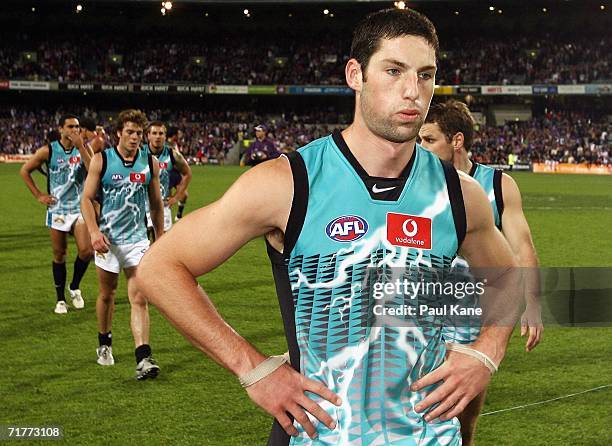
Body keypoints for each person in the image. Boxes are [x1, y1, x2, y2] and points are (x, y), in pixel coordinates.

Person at [136, 8, 522, 444]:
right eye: (393, 71)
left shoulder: (459, 195)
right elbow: (159, 268)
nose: (413, 91)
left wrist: (487, 351)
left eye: (426, 75)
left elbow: (509, 278)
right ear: (355, 74)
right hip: (318, 434)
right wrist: (253, 369)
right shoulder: (288, 183)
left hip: (427, 436)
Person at [419, 99, 542, 445]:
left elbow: (522, 247)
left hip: (473, 313)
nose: (420, 148)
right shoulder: (415, 184)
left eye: (429, 140)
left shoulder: (497, 185)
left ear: (456, 141)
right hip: (421, 308)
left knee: (462, 415)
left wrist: (531, 303)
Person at [80, 109, 164, 380]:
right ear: (118, 133)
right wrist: (93, 232)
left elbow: (156, 203)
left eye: (139, 133)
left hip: (138, 240)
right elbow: (86, 199)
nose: (135, 137)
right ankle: (104, 343)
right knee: (107, 294)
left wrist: (160, 237)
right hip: (107, 241)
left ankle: (143, 357)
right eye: (130, 132)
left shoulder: (149, 162)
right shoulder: (102, 161)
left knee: (139, 297)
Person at [20, 114, 94, 314]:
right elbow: (25, 170)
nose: (74, 130)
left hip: (79, 208)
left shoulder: (84, 148)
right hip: (58, 209)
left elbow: (94, 170)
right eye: (70, 126)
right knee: (59, 254)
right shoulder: (48, 151)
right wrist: (38, 195)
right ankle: (60, 300)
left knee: (87, 251)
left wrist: (81, 147)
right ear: (61, 129)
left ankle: (74, 286)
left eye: (77, 127)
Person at [143, 121, 192, 237]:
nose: (158, 136)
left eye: (161, 133)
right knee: (140, 248)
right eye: (154, 133)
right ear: (148, 135)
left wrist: (176, 197)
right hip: (142, 207)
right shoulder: (139, 153)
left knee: (161, 247)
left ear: (165, 136)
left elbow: (188, 173)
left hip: (162, 207)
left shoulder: (172, 155)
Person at [166, 126, 189, 220]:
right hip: (168, 173)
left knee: (184, 195)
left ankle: (179, 215)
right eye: (178, 133)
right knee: (167, 199)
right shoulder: (166, 145)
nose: (179, 135)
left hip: (176, 173)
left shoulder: (174, 144)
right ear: (174, 135)